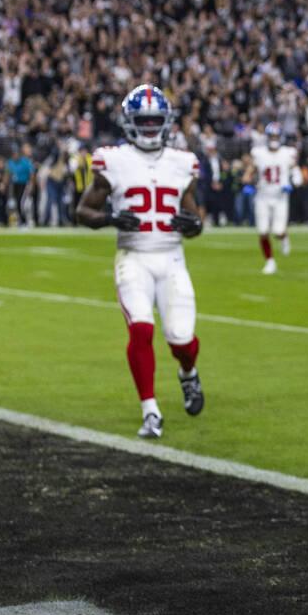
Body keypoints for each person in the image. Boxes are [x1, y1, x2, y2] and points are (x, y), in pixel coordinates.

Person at [75, 84, 205, 439]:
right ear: (129, 123)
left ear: (166, 122)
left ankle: (188, 374)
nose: (149, 128)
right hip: (133, 257)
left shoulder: (182, 163)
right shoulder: (112, 161)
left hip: (171, 258)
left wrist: (193, 225)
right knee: (141, 329)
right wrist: (109, 219)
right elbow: (83, 210)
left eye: (155, 121)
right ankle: (150, 410)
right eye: (143, 121)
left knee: (181, 340)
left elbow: (195, 221)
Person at [244, 122, 301, 274]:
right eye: (272, 135)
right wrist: (247, 182)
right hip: (262, 195)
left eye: (276, 135)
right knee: (262, 230)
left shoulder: (287, 153)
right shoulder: (259, 153)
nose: (274, 138)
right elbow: (250, 170)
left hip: (280, 197)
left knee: (277, 230)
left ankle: (283, 237)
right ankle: (270, 261)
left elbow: (296, 171)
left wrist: (295, 181)